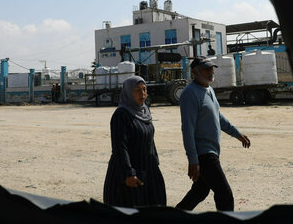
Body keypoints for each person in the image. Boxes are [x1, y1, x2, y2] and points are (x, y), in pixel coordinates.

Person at [176, 56, 251, 212]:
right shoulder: (189, 94)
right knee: (225, 194)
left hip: (212, 150)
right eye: (205, 69)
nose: (210, 72)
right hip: (204, 154)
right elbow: (187, 129)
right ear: (195, 73)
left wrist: (237, 134)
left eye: (211, 68)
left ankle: (173, 218)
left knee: (200, 191)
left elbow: (217, 116)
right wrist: (193, 159)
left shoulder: (209, 89)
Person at [103, 76, 166, 207]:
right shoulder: (121, 115)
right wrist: (128, 173)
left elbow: (149, 140)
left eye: (144, 89)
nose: (142, 94)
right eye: (137, 90)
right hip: (130, 172)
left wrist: (155, 165)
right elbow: (120, 147)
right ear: (128, 92)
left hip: (148, 169)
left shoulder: (145, 111)